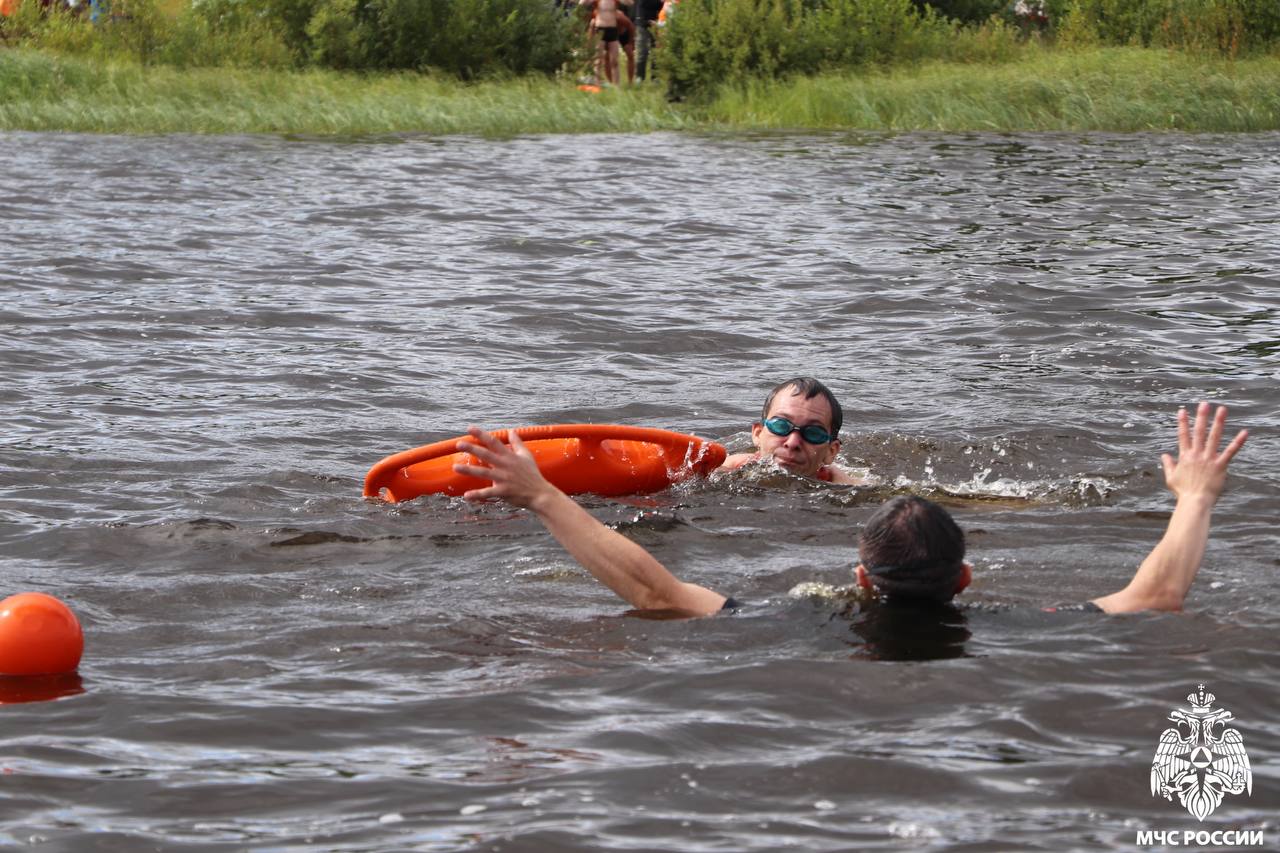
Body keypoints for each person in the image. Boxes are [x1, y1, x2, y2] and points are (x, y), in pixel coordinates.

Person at [453, 402, 1247, 618]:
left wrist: (542, 493)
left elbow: (656, 591)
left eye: (811, 431)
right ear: (965, 578)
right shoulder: (1018, 619)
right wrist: (1197, 496)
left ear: (858, 576)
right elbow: (1156, 595)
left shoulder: (800, 616)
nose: (791, 440)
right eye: (778, 425)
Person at [719, 377, 864, 484]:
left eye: (813, 433)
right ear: (758, 434)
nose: (793, 442)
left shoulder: (846, 487)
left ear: (831, 451)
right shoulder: (733, 467)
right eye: (781, 426)